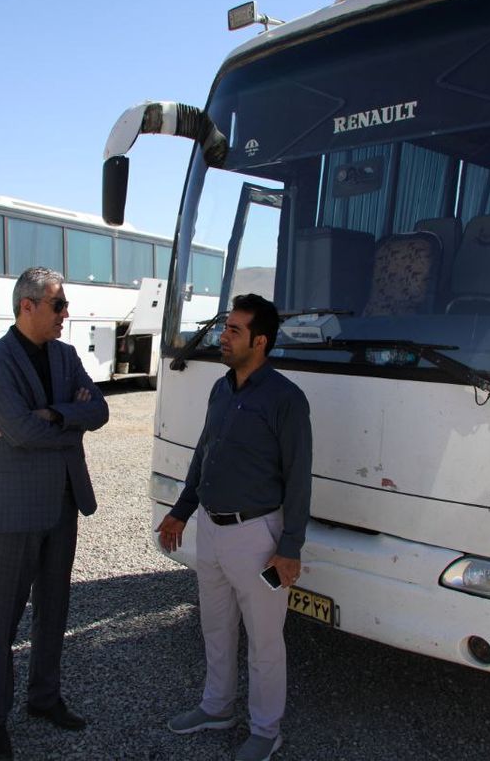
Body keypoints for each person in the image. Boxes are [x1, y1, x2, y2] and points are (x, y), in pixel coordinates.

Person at [157, 293, 313, 761]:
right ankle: (217, 707)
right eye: (224, 329)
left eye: (234, 331)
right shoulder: (221, 388)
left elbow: (298, 478)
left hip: (257, 538)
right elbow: (204, 454)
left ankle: (266, 731)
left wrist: (289, 548)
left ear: (260, 341)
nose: (223, 338)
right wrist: (181, 510)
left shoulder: (286, 399)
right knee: (215, 626)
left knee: (265, 641)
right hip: (211, 529)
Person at [0, 266, 109, 760]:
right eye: (58, 305)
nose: (66, 315)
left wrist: (54, 414)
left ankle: (44, 699)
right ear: (27, 305)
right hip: (15, 510)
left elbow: (99, 410)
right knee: (1, 619)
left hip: (63, 504)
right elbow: (20, 431)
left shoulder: (66, 356)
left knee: (54, 611)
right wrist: (66, 423)